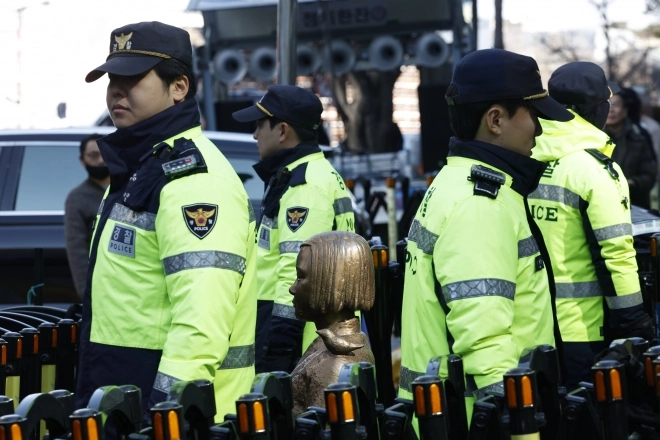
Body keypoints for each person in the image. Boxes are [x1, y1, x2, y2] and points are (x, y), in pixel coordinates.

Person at [77, 21, 257, 421]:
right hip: (125, 396)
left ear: (179, 87)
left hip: (166, 410)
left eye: (133, 78)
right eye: (112, 79)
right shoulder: (143, 166)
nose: (117, 90)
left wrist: (165, 414)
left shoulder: (193, 180)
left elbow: (201, 320)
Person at [399, 49, 572, 407]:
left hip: (451, 414)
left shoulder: (456, 181)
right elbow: (485, 344)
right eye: (533, 115)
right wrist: (520, 424)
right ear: (495, 119)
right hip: (480, 418)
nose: (539, 130)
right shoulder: (479, 203)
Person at [530, 62, 655, 389]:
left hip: (532, 328)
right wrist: (635, 325)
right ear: (598, 109)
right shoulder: (594, 171)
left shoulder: (526, 158)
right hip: (585, 330)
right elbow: (616, 255)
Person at [232, 85, 355, 374]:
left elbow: (296, 272)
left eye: (259, 125)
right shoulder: (306, 176)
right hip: (314, 336)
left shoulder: (305, 185)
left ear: (282, 130)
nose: (255, 134)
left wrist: (278, 349)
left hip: (302, 343)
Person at [289, 231, 375, 417]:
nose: (292, 288)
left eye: (301, 277)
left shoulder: (336, 364)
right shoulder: (328, 342)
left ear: (331, 284)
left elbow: (323, 428)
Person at [64, 134, 109, 300]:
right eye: (93, 155)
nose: (100, 160)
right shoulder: (77, 198)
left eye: (104, 154)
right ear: (82, 160)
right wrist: (87, 294)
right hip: (101, 285)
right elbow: (77, 251)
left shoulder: (128, 189)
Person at [605, 88, 657, 208]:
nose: (611, 110)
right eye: (607, 104)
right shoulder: (593, 136)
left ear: (625, 111)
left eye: (616, 105)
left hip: (634, 204)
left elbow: (649, 175)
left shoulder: (639, 137)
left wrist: (632, 183)